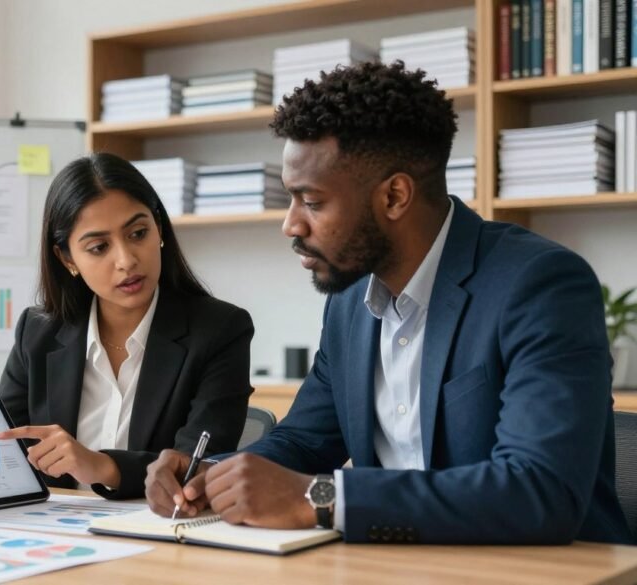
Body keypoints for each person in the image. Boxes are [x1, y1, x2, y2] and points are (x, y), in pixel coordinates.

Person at [145, 61, 633, 544]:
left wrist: (318, 498)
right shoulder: (351, 302)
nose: (290, 225)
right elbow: (304, 441)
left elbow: (539, 491)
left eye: (311, 202)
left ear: (395, 196)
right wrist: (211, 474)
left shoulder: (539, 285)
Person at [0, 153, 254, 499]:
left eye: (138, 233)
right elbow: (8, 455)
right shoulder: (37, 333)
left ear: (159, 230)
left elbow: (195, 468)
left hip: (157, 533)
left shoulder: (220, 330)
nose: (126, 261)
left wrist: (102, 467)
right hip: (53, 533)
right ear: (68, 259)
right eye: (98, 247)